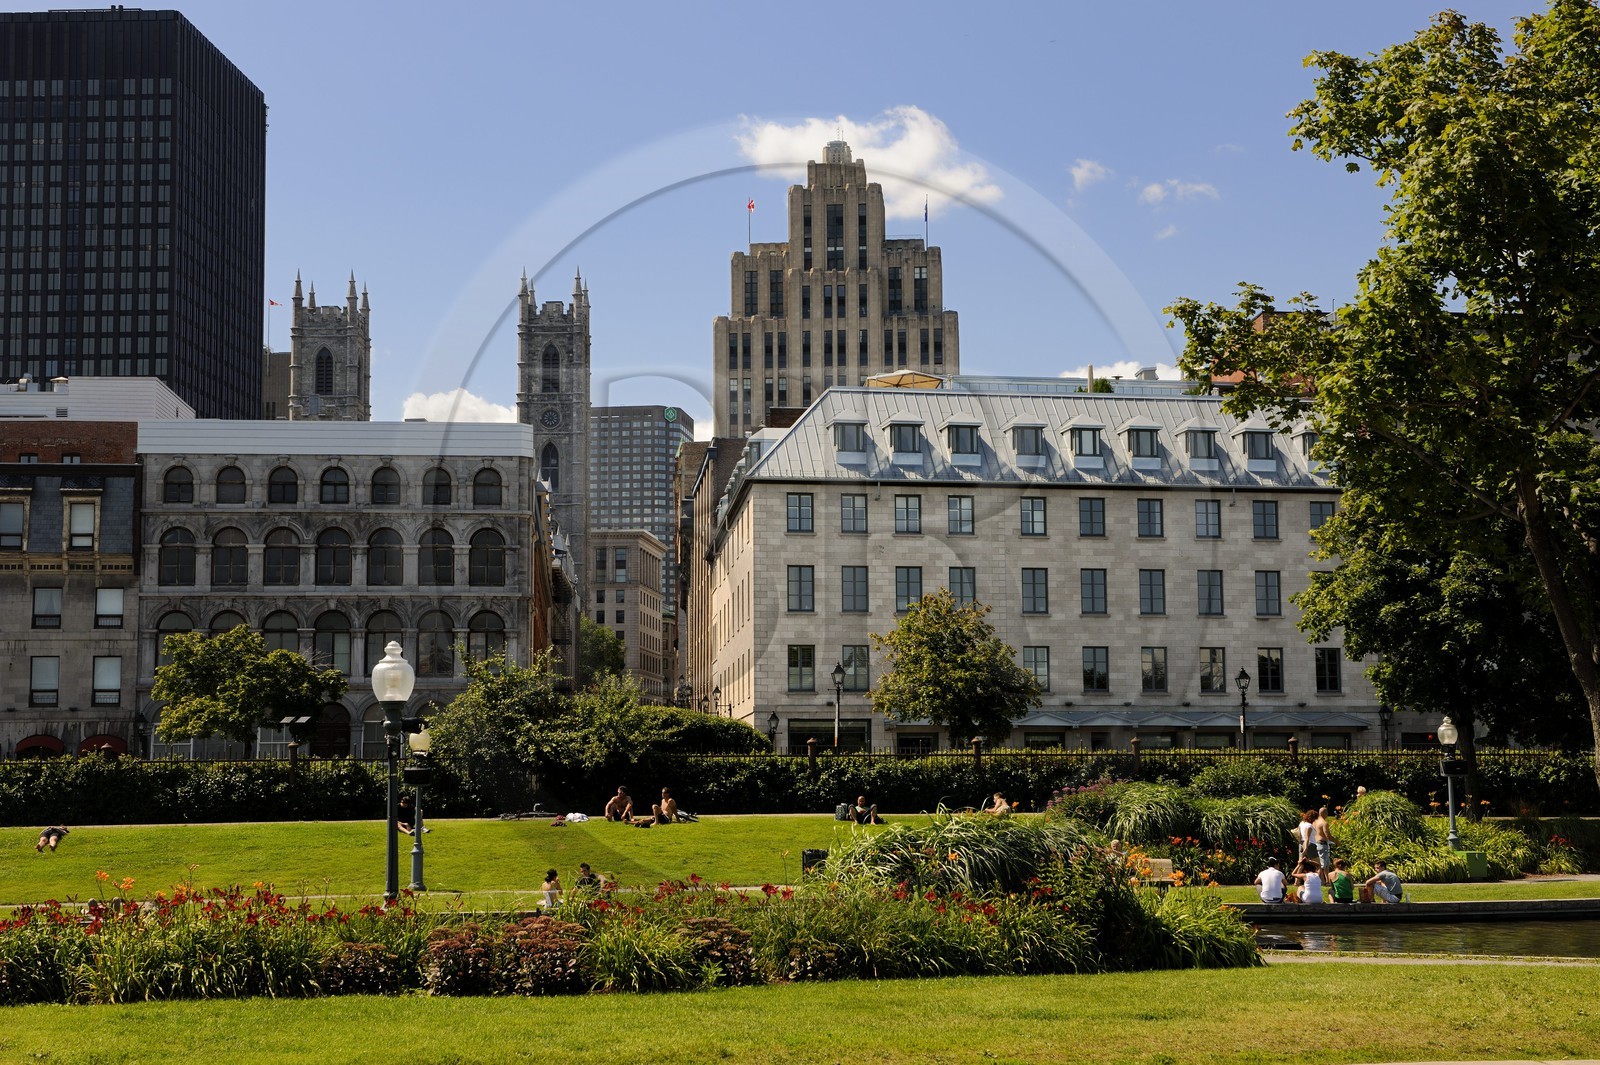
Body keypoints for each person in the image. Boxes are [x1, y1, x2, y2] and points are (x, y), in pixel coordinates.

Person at [1313, 806, 1333, 871]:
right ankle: (1321, 880)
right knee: (1323, 864)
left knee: (1326, 863)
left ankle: (1326, 879)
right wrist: (1336, 841)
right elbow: (1328, 836)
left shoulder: (1314, 822)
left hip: (1315, 843)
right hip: (1322, 844)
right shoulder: (1324, 823)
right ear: (1324, 813)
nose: (1327, 814)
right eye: (1326, 813)